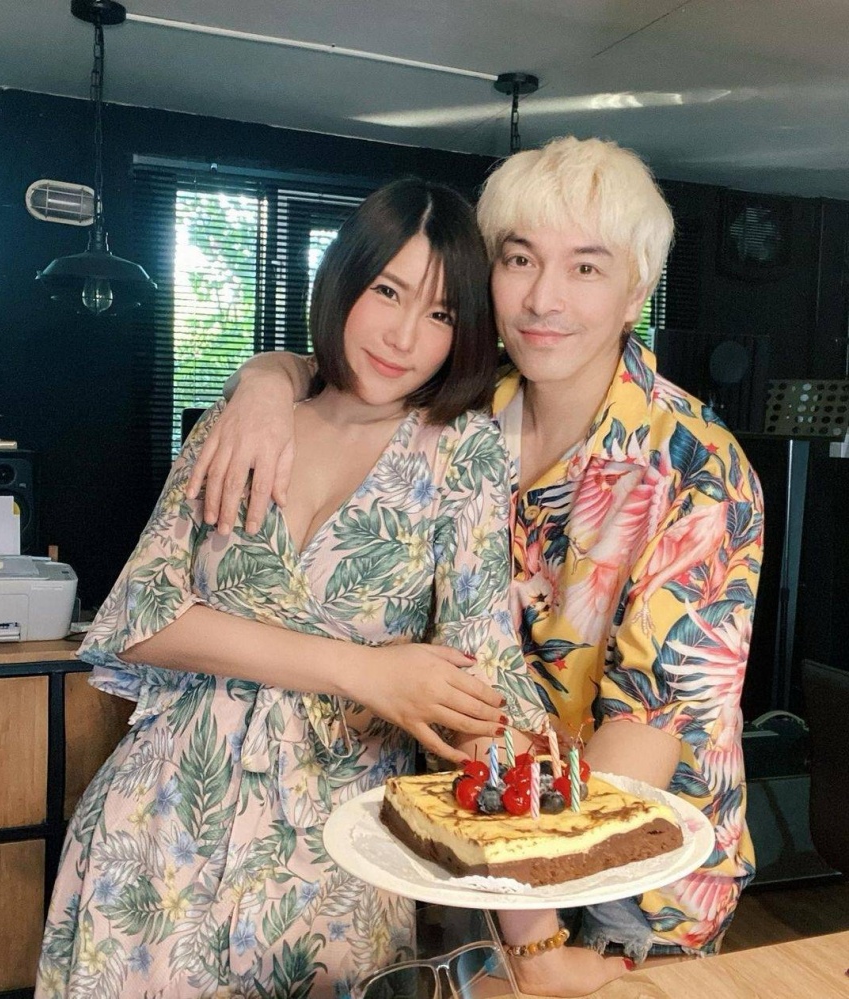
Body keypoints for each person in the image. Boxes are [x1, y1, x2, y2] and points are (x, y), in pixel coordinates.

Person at [191, 136, 765, 996]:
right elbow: (342, 368)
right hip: (462, 846)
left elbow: (640, 738)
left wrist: (535, 943)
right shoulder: (459, 409)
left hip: (620, 878)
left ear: (635, 291)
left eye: (585, 267)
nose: (541, 299)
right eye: (518, 259)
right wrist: (264, 381)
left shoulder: (696, 469)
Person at [35, 178, 550, 999]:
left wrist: (537, 930)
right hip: (156, 831)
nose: (404, 335)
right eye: (387, 291)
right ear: (344, 279)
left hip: (333, 863)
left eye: (441, 313)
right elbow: (139, 616)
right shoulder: (240, 420)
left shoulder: (464, 453)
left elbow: (479, 668)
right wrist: (361, 668)